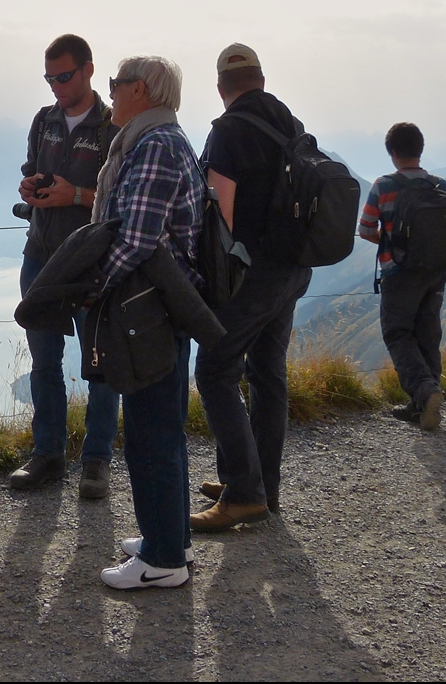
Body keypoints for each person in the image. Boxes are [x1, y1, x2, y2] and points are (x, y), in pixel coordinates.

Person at [93, 55, 205, 590]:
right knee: (164, 427)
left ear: (139, 90)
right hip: (163, 305)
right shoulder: (163, 140)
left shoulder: (153, 146)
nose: (109, 93)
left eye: (115, 85)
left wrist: (94, 288)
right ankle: (170, 537)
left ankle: (162, 561)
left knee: (149, 431)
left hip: (149, 308)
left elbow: (136, 239)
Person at [191, 44, 313, 530]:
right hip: (293, 269)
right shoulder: (291, 122)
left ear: (222, 89)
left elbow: (221, 209)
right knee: (267, 372)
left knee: (216, 371)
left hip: (250, 274)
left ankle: (244, 492)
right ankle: (263, 486)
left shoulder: (228, 130)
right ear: (260, 79)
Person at [10, 34, 120, 498]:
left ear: (89, 69)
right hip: (40, 256)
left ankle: (96, 460)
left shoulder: (113, 126)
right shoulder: (44, 120)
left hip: (91, 262)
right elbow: (32, 171)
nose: (56, 85)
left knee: (99, 363)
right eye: (49, 77)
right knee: (45, 363)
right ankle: (48, 454)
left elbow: (120, 201)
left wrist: (74, 195)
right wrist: (30, 186)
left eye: (64, 76)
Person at [358, 122, 446, 431]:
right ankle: (422, 407)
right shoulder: (439, 185)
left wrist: (391, 240)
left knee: (398, 333)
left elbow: (366, 228)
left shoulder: (383, 185)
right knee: (428, 334)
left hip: (398, 273)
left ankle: (425, 391)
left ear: (393, 153)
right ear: (420, 150)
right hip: (436, 272)